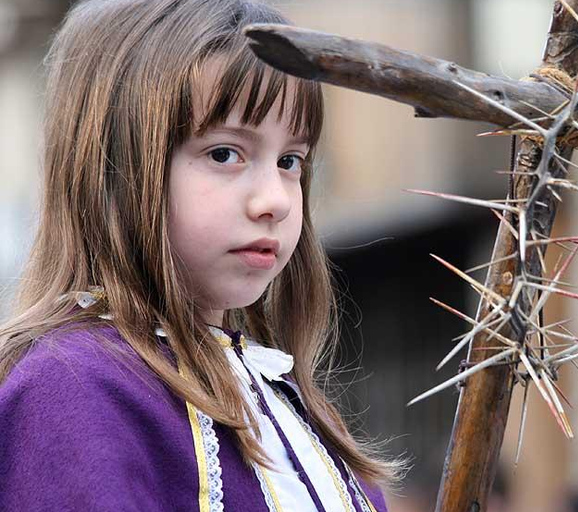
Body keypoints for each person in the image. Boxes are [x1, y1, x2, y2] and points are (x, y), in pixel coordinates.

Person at [0, 0, 404, 510]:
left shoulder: (293, 406)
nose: (276, 200)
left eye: (290, 161)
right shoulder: (70, 388)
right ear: (113, 167)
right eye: (224, 154)